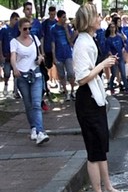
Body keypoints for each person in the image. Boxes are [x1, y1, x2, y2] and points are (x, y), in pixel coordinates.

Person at [72, 3, 128, 192]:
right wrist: (103, 65)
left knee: (101, 147)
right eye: (96, 15)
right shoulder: (82, 43)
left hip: (95, 99)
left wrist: (104, 64)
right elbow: (81, 78)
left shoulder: (90, 39)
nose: (100, 18)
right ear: (88, 20)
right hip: (87, 100)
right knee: (94, 151)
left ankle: (109, 188)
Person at [10, 17, 49, 145]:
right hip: (22, 76)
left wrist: (40, 58)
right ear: (19, 29)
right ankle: (33, 127)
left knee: (36, 104)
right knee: (28, 104)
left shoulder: (34, 38)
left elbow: (40, 54)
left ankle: (40, 132)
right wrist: (15, 68)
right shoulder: (14, 42)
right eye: (25, 29)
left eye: (29, 28)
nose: (27, 31)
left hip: (35, 73)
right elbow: (13, 57)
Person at [51, 10, 78, 101]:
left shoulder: (68, 27)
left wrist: (66, 29)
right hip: (59, 54)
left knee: (71, 73)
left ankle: (73, 90)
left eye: (65, 17)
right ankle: (66, 92)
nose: (65, 19)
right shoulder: (53, 28)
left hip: (67, 53)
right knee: (61, 74)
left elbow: (70, 41)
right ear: (58, 18)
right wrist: (54, 57)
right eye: (63, 17)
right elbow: (53, 43)